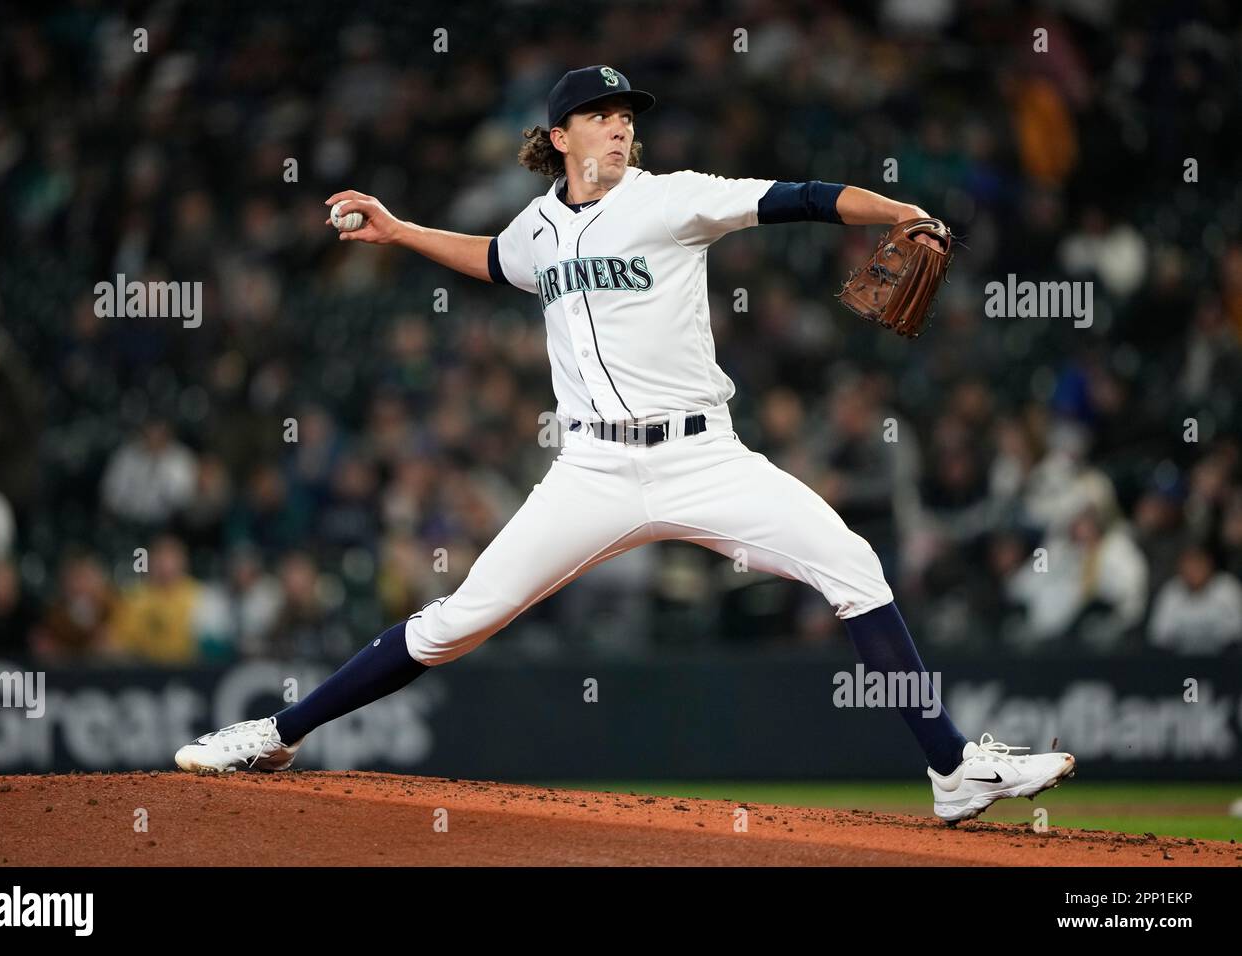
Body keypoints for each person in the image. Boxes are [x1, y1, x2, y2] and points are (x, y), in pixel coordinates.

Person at [176, 66, 1074, 823]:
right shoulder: (538, 225)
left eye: (625, 117)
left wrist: (895, 208)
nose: (617, 128)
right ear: (560, 135)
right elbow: (495, 259)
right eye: (600, 117)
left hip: (703, 458)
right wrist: (400, 229)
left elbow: (800, 198)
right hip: (592, 469)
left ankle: (954, 771)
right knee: (455, 623)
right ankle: (276, 734)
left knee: (854, 566)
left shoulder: (673, 198)